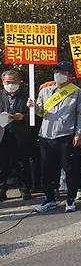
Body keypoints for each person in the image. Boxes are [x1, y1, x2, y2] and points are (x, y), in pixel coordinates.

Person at [29, 61, 81, 214]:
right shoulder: (45, 91)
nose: (58, 75)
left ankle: (70, 199)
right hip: (46, 135)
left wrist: (79, 133)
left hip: (66, 136)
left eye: (62, 72)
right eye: (56, 71)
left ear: (69, 75)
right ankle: (50, 199)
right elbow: (41, 113)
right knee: (47, 168)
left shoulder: (76, 92)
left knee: (69, 169)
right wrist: (34, 107)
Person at [0, 70, 32, 201]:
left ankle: (25, 189)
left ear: (20, 82)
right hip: (3, 133)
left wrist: (23, 117)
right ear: (3, 82)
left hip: (21, 134)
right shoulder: (0, 96)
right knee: (3, 163)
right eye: (8, 82)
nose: (11, 85)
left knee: (22, 162)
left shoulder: (27, 96)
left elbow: (37, 116)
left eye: (14, 82)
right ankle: (2, 189)